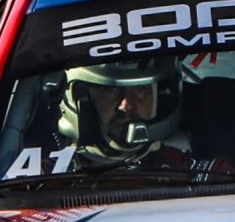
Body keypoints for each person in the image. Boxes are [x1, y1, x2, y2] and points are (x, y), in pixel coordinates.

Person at [56, 59, 186, 170]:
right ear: (84, 100)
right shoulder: (51, 173)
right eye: (111, 89)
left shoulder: (183, 169)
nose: (127, 106)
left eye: (140, 88)